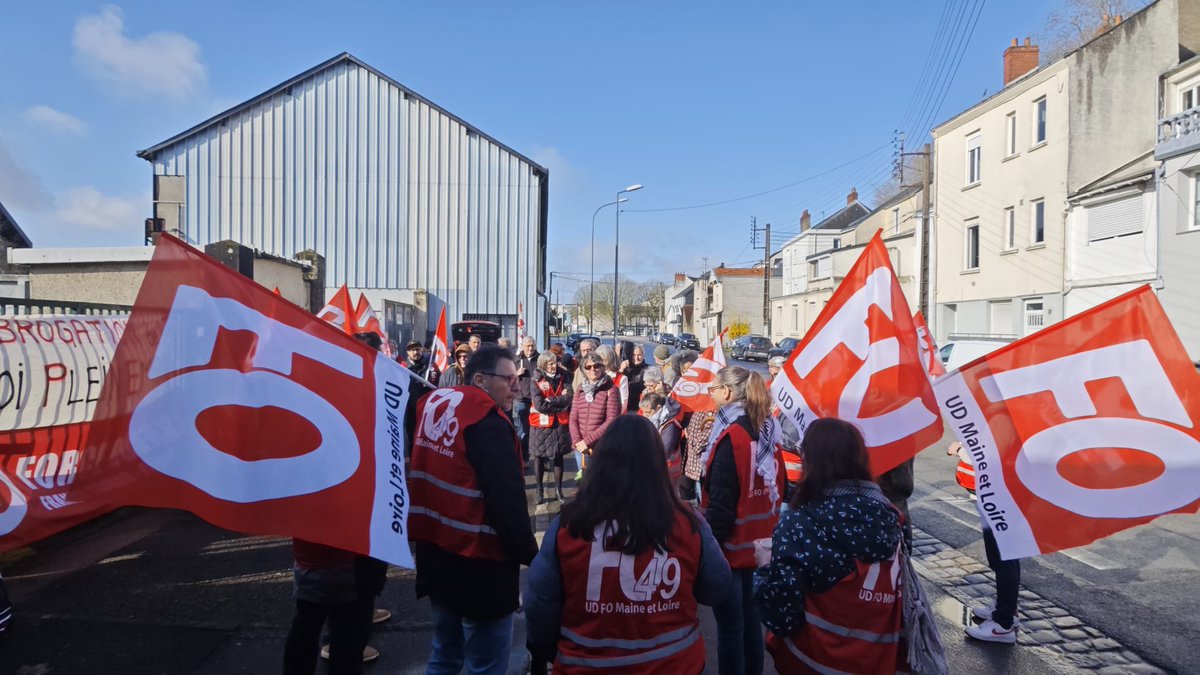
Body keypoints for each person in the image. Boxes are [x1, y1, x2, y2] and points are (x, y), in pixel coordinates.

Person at [524, 415, 732, 673]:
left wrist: (553, 651)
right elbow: (718, 587)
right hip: (676, 664)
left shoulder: (569, 525)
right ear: (657, 464)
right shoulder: (688, 523)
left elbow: (539, 605)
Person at [409, 344, 538, 674]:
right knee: (486, 665)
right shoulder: (488, 423)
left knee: (444, 655)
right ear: (480, 380)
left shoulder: (433, 402)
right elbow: (507, 503)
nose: (516, 386)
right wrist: (531, 556)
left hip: (436, 556)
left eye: (517, 378)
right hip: (480, 567)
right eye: (508, 379)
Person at [754, 418, 906, 674]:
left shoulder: (801, 524)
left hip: (815, 660)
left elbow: (781, 616)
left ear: (813, 462)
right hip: (877, 661)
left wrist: (764, 569)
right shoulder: (890, 517)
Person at [283, 332, 389, 675]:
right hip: (345, 551)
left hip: (315, 548)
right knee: (344, 637)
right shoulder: (357, 413)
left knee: (309, 625)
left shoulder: (310, 407)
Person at [701, 365, 784, 675]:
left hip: (732, 549)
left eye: (712, 389)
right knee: (752, 626)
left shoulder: (731, 436)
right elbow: (782, 488)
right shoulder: (768, 430)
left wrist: (711, 548)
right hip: (761, 547)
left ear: (726, 392)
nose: (709, 395)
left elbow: (720, 504)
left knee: (731, 630)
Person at [949, 442, 1022, 644]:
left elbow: (987, 457)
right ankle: (1006, 610)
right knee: (1005, 555)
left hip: (997, 493)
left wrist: (960, 450)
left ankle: (1003, 623)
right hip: (998, 492)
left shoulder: (1003, 418)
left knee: (1002, 558)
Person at [568, 353, 622, 477]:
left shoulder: (611, 389)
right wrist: (578, 442)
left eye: (596, 365)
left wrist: (587, 441)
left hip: (601, 447)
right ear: (583, 369)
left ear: (602, 367)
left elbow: (612, 420)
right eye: (588, 367)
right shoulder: (580, 388)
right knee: (584, 482)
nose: (593, 369)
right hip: (581, 448)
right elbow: (573, 417)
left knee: (600, 485)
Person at [529, 350, 572, 503]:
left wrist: (551, 400)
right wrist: (560, 403)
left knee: (559, 456)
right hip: (541, 423)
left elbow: (569, 396)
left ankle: (558, 491)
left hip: (559, 423)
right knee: (539, 457)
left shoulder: (564, 375)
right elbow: (539, 405)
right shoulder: (536, 378)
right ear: (543, 365)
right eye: (551, 363)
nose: (554, 366)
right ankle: (539, 490)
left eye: (555, 362)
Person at [639, 392, 683, 490]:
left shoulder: (670, 424)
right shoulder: (652, 420)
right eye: (644, 412)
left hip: (666, 469)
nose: (645, 415)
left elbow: (664, 450)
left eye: (648, 412)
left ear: (658, 408)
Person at [594, 344, 629, 411]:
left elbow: (623, 404)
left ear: (610, 360)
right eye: (598, 361)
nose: (601, 363)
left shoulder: (621, 378)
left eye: (604, 360)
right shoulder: (594, 376)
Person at [624, 343, 650, 412]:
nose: (636, 358)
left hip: (640, 409)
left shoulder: (648, 369)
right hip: (625, 407)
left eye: (639, 355)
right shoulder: (625, 368)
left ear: (643, 355)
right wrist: (621, 370)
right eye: (633, 355)